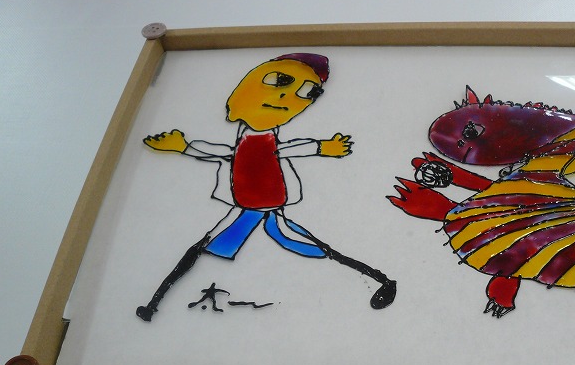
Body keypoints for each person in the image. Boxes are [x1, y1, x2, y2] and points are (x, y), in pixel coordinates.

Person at [136, 53, 396, 321]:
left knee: (290, 241)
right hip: (249, 205)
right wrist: (184, 147)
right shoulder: (247, 140)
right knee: (223, 243)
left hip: (262, 204)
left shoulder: (265, 141)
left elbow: (288, 149)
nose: (287, 97)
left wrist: (322, 147)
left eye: (308, 92)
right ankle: (155, 303)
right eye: (279, 80)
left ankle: (380, 280)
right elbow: (226, 153)